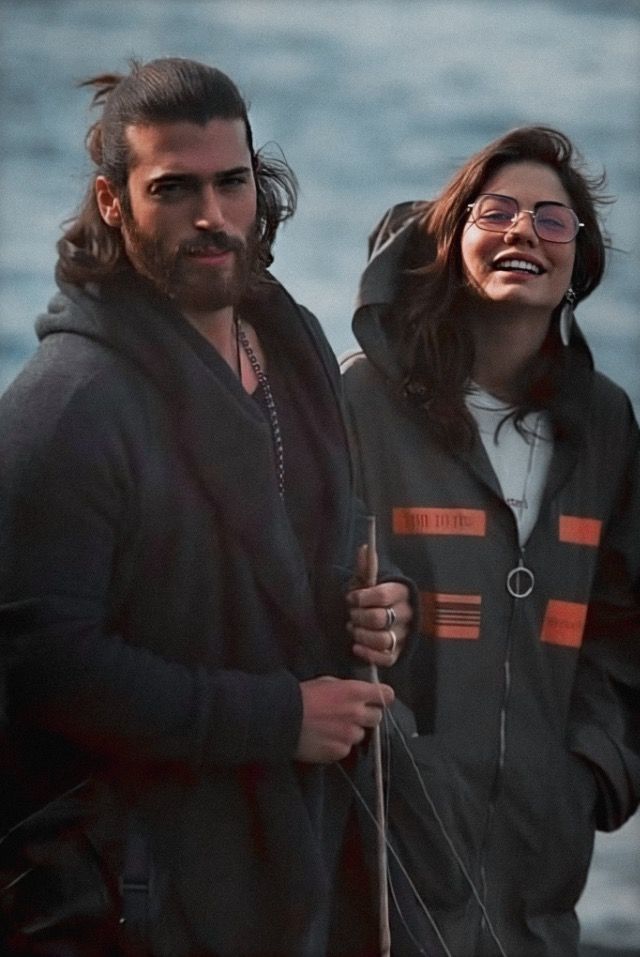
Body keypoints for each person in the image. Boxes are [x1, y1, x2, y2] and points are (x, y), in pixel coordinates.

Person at [0, 57, 415, 957]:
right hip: (131, 891)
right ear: (113, 203)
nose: (212, 217)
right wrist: (278, 717)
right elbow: (45, 664)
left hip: (296, 865)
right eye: (173, 189)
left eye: (231, 183)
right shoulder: (67, 405)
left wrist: (377, 608)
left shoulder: (293, 342)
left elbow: (325, 542)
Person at [341, 126, 640, 957]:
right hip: (382, 863)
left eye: (552, 220)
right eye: (497, 210)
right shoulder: (363, 399)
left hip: (541, 887)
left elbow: (622, 623)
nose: (522, 231)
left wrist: (589, 771)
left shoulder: (604, 422)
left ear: (579, 263)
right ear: (452, 239)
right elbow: (296, 582)